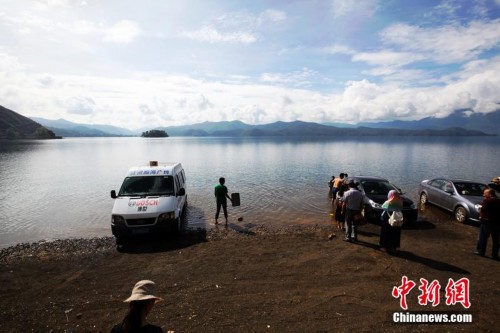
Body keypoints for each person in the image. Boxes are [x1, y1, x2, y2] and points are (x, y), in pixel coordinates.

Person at [475, 189, 500, 260]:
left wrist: (481, 217)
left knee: (483, 237)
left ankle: (481, 251)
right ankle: (495, 255)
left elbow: (483, 211)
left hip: (487, 222)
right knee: (496, 240)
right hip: (497, 223)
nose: (483, 195)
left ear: (489, 194)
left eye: (484, 194)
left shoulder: (487, 201)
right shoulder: (499, 201)